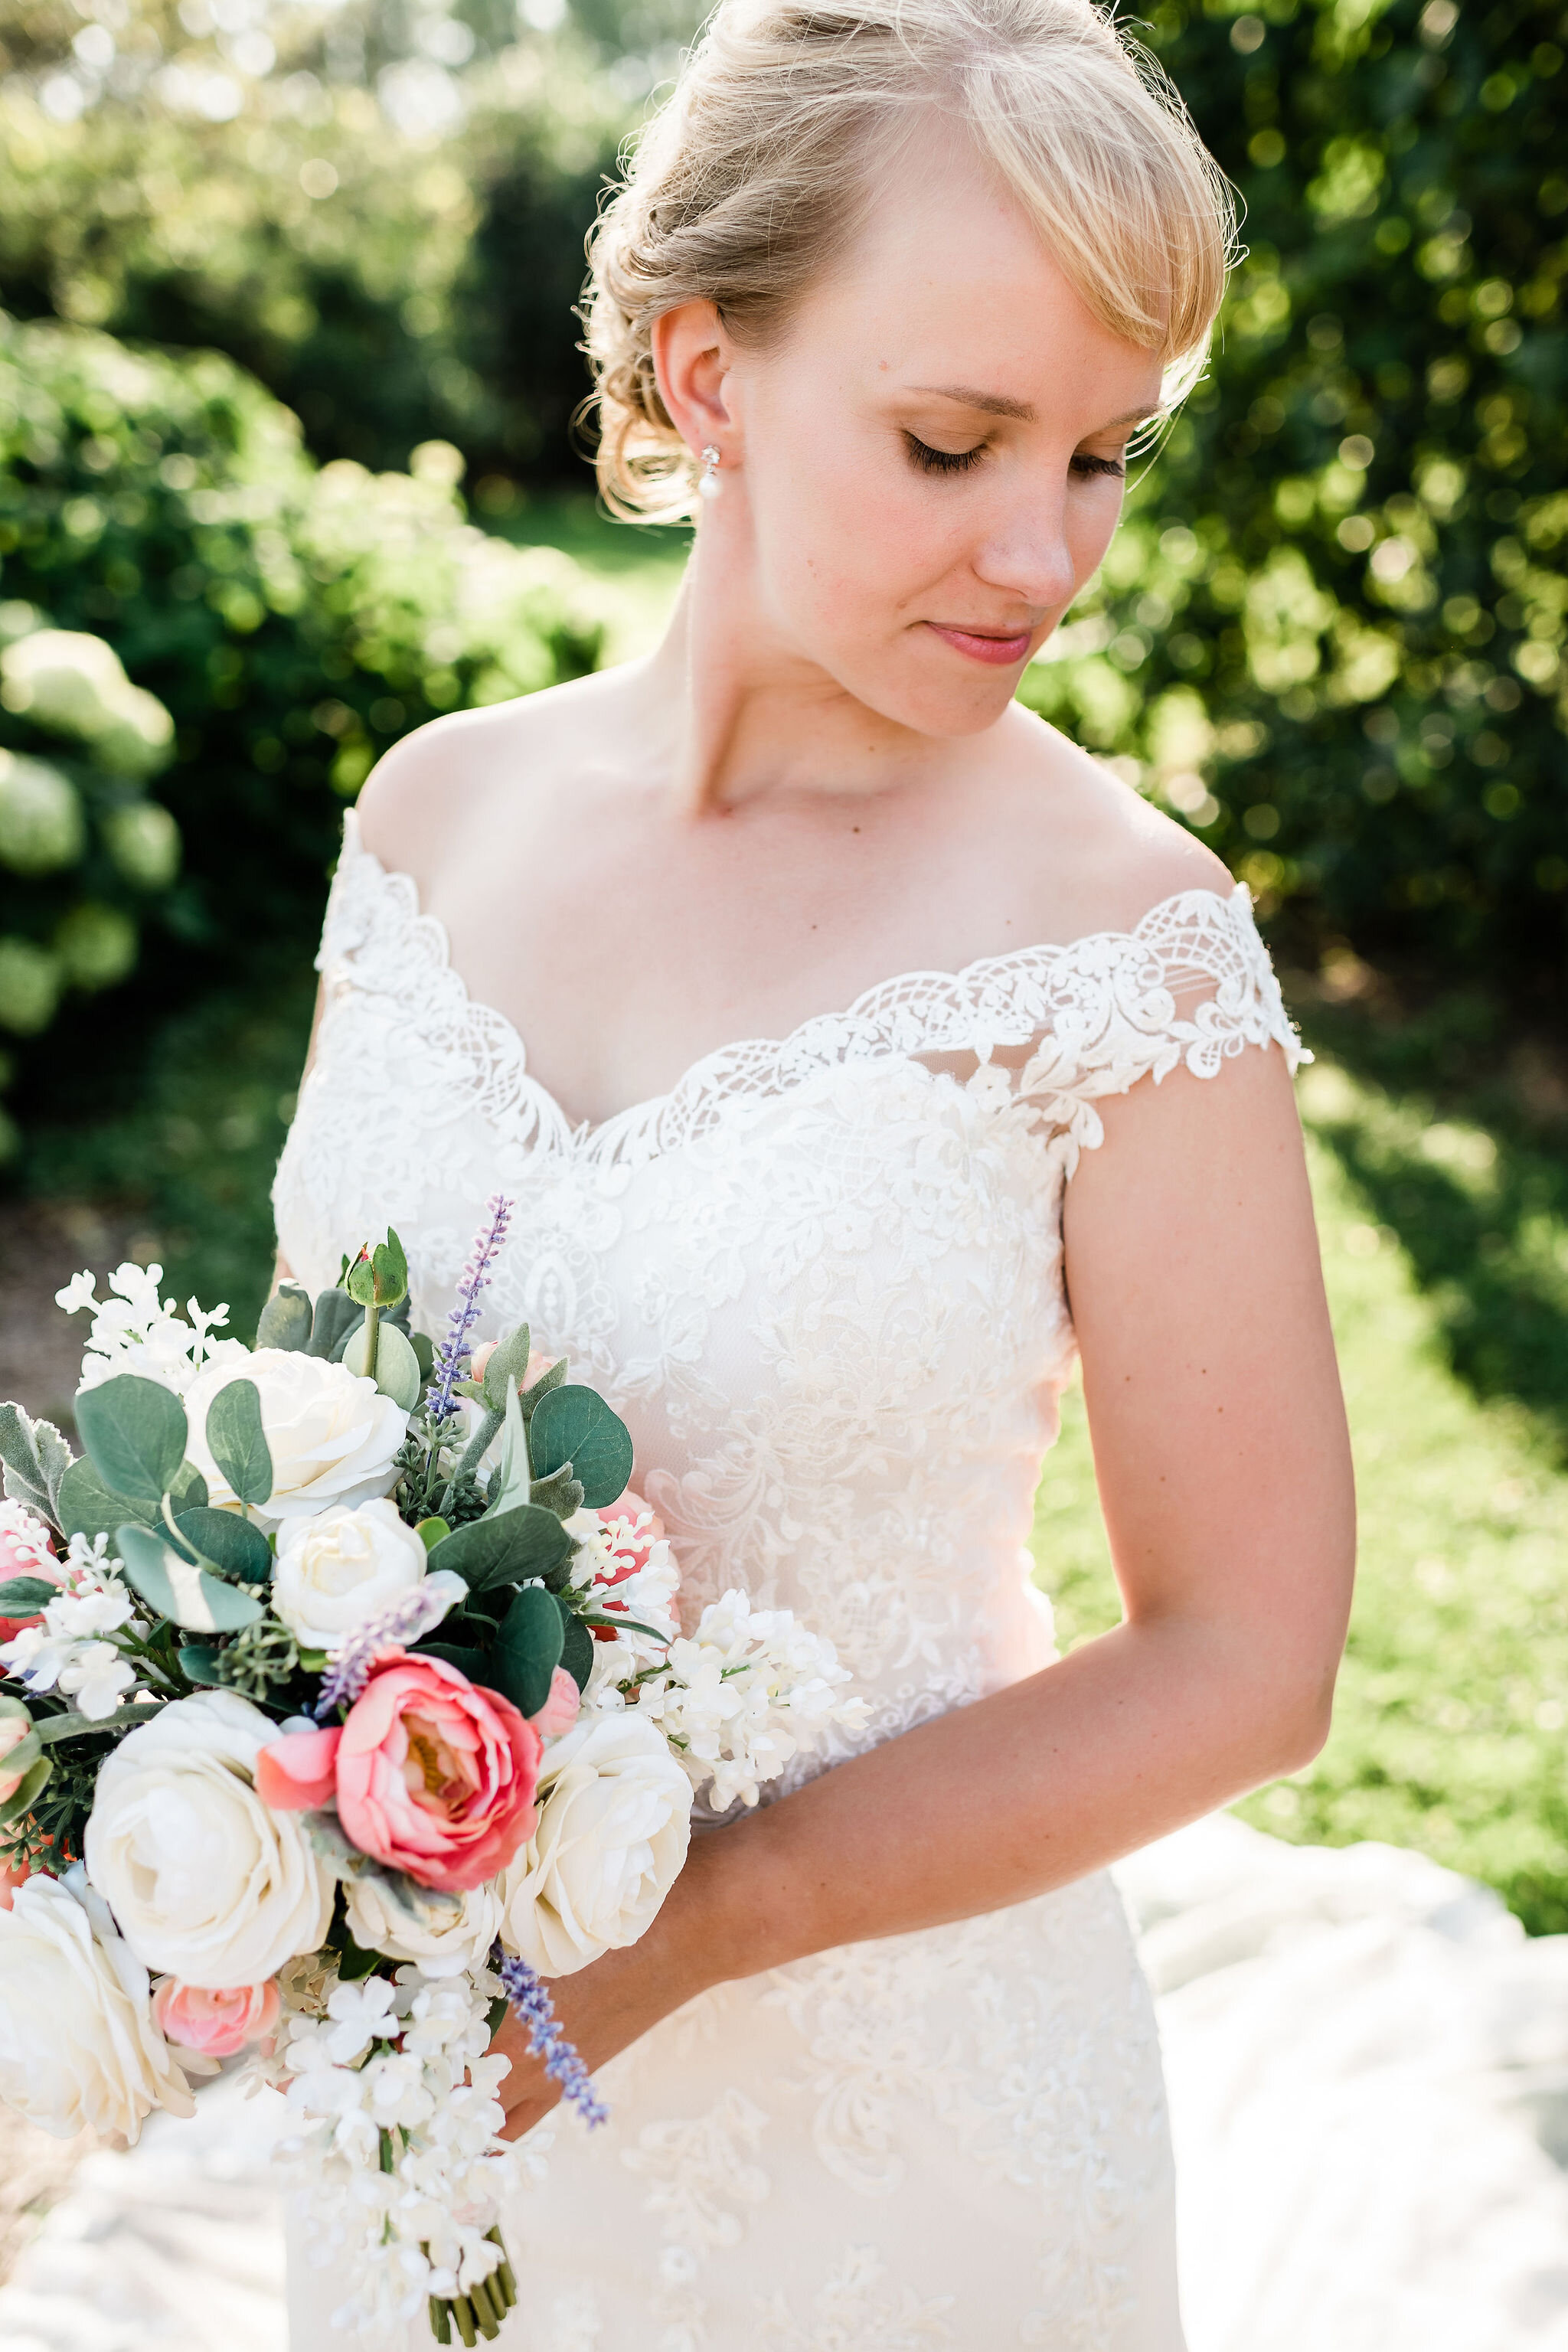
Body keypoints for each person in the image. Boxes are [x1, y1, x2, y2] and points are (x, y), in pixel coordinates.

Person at [273, 2, 1355, 2341]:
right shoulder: (435, 814)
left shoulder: (1125, 945)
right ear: (704, 379)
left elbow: (1249, 1662)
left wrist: (693, 1930)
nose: (1048, 548)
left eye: (1104, 453)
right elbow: (312, 1422)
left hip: (908, 2155)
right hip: (420, 2088)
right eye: (958, 440)